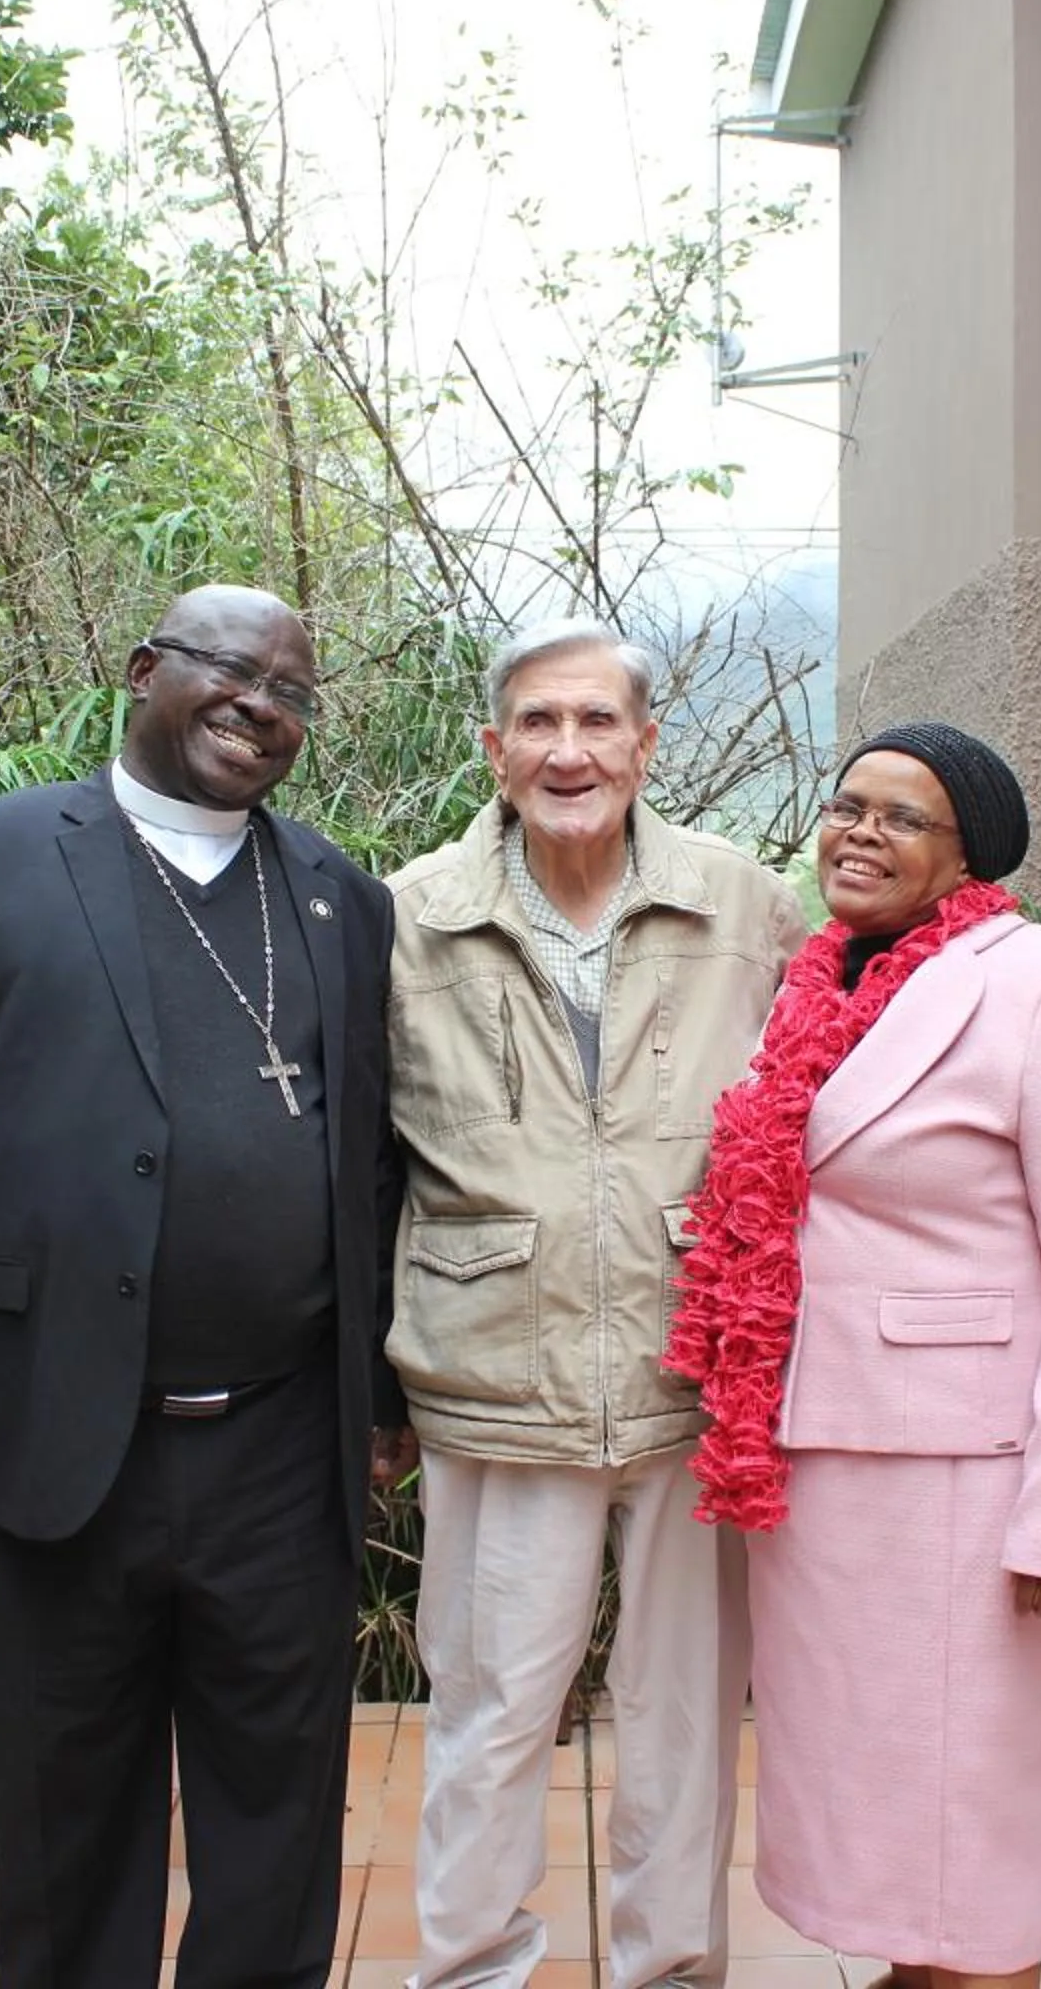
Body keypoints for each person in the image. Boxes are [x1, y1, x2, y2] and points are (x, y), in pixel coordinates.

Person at [0, 583, 408, 1989]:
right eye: (227, 668)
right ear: (144, 667)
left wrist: (380, 1397)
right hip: (64, 1427)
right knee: (68, 1813)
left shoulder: (340, 896)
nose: (258, 703)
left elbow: (370, 1169)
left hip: (284, 1444)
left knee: (277, 1819)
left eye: (290, 689)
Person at [665, 721, 1041, 1986]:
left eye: (902, 817)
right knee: (897, 1820)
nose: (859, 831)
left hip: (974, 1480)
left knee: (975, 1826)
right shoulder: (817, 982)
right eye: (848, 805)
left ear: (971, 857)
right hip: (828, 1469)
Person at [383, 619, 806, 1989]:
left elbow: (823, 1095)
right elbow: (355, 1155)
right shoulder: (409, 915)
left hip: (696, 1381)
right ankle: (469, 1972)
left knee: (682, 1719)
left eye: (599, 723)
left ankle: (671, 1971)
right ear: (494, 749)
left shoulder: (743, 900)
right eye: (540, 724)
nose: (571, 752)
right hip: (494, 1377)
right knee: (494, 1713)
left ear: (647, 744)